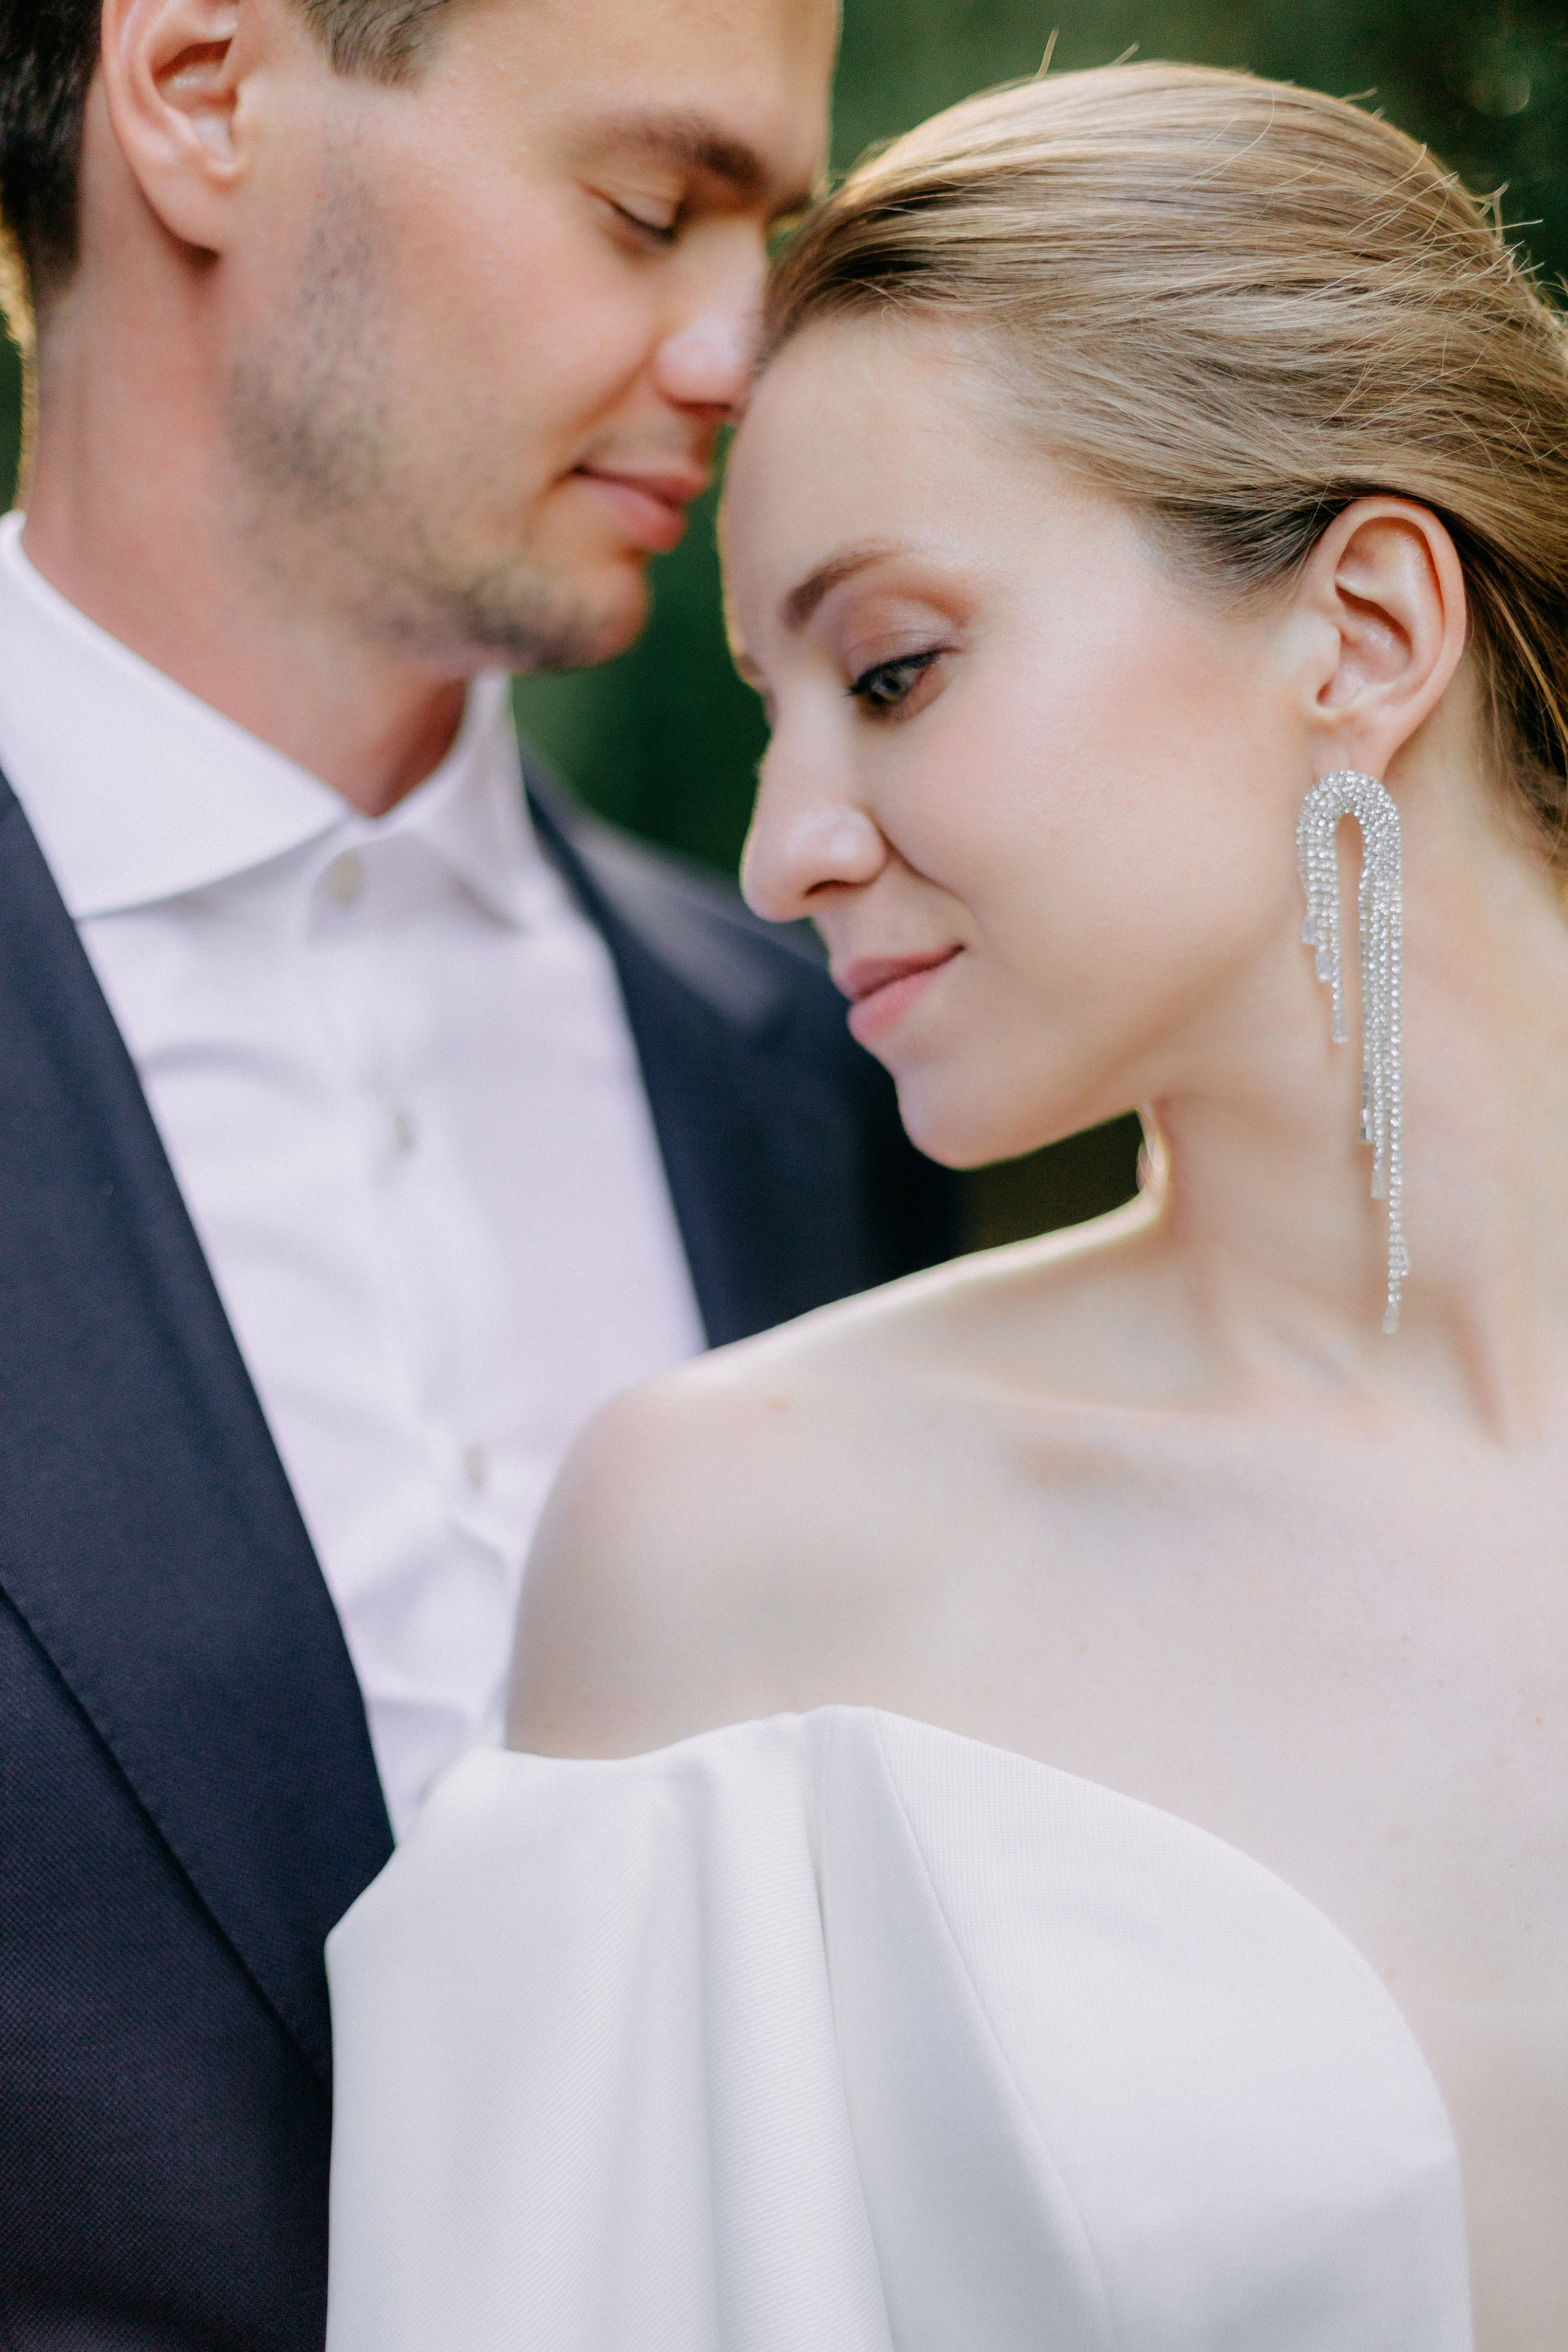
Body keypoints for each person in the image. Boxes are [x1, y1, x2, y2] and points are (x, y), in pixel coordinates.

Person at [323, 61, 1568, 2352]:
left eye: (892, 671)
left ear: (1369, 630)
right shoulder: (732, 1537)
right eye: (773, 708)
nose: (782, 851)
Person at [0, 0, 957, 2341]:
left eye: (769, 234)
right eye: (647, 207)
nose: (738, 351)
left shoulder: (814, 1072)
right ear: (201, 94)